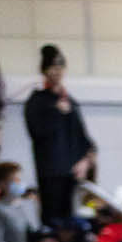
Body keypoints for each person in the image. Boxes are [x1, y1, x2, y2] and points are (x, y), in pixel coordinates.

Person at [22, 45, 93, 222]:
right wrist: (55, 112)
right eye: (53, 67)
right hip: (51, 174)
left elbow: (84, 139)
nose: (57, 71)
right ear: (45, 71)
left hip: (72, 174)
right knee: (53, 220)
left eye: (60, 67)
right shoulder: (37, 102)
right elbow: (36, 132)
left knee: (74, 220)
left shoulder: (70, 102)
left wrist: (85, 160)